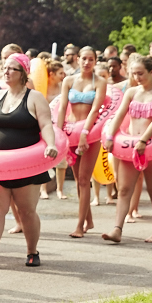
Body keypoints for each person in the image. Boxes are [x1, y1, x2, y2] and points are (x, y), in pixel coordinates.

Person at [0, 53, 58, 269]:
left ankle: (32, 251)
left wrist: (51, 144)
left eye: (11, 68)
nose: (5, 71)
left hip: (26, 166)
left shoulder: (34, 98)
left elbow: (46, 125)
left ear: (23, 73)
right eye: (4, 67)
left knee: (26, 211)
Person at [102, 55, 152, 243]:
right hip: (130, 145)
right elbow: (119, 114)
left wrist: (144, 140)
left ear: (151, 72)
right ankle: (117, 229)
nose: (137, 77)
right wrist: (110, 136)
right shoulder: (131, 92)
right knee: (124, 189)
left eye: (141, 73)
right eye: (134, 73)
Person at [56, 46, 108, 238]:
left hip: (90, 133)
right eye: (84, 59)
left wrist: (85, 133)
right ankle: (90, 220)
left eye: (91, 59)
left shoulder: (100, 82)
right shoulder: (69, 80)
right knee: (79, 180)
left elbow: (95, 109)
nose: (87, 62)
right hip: (71, 131)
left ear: (95, 61)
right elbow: (62, 107)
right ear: (78, 59)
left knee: (85, 179)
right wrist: (58, 132)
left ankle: (79, 226)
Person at [39, 60, 69, 201]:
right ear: (51, 74)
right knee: (44, 158)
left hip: (60, 125)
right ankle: (43, 189)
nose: (63, 75)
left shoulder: (63, 87)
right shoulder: (42, 87)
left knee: (62, 161)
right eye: (60, 73)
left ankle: (60, 190)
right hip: (44, 126)